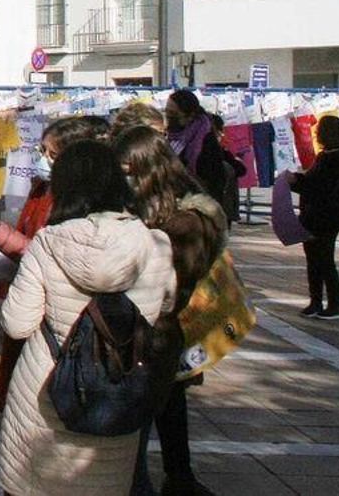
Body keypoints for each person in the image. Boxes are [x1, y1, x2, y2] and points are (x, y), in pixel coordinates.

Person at [0, 141, 177, 496]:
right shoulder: (155, 243)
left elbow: (17, 323)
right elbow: (165, 306)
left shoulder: (50, 242)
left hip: (46, 393)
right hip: (115, 388)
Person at [0, 115, 108, 408]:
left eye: (52, 154)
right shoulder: (40, 188)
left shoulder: (82, 201)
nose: (43, 159)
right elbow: (29, 240)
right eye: (42, 151)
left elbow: (50, 252)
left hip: (58, 314)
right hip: (28, 299)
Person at [116, 125, 228, 496]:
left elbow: (172, 283)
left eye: (127, 170)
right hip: (163, 333)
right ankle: (180, 477)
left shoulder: (185, 221)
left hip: (159, 331)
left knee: (140, 431)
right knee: (168, 407)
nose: (123, 178)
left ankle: (173, 480)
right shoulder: (175, 209)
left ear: (144, 167)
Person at [290, 114, 339, 320]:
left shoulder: (332, 160)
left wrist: (294, 181)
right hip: (325, 216)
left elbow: (315, 187)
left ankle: (332, 304)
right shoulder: (336, 158)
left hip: (323, 217)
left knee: (323, 260)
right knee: (315, 260)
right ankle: (317, 302)